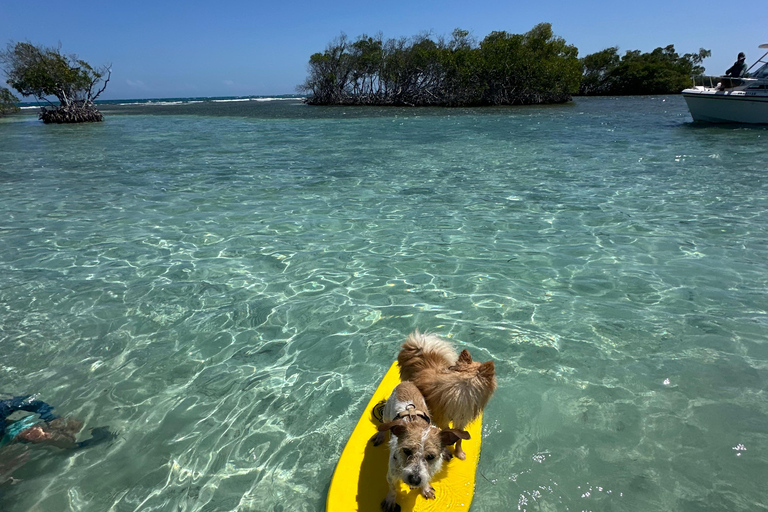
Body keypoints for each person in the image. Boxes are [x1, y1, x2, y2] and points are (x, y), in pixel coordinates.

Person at [0, 395, 115, 450]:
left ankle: (88, 431)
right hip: (4, 437)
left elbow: (32, 403)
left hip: (5, 427)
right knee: (40, 435)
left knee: (65, 423)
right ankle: (80, 445)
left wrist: (51, 418)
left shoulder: (3, 406)